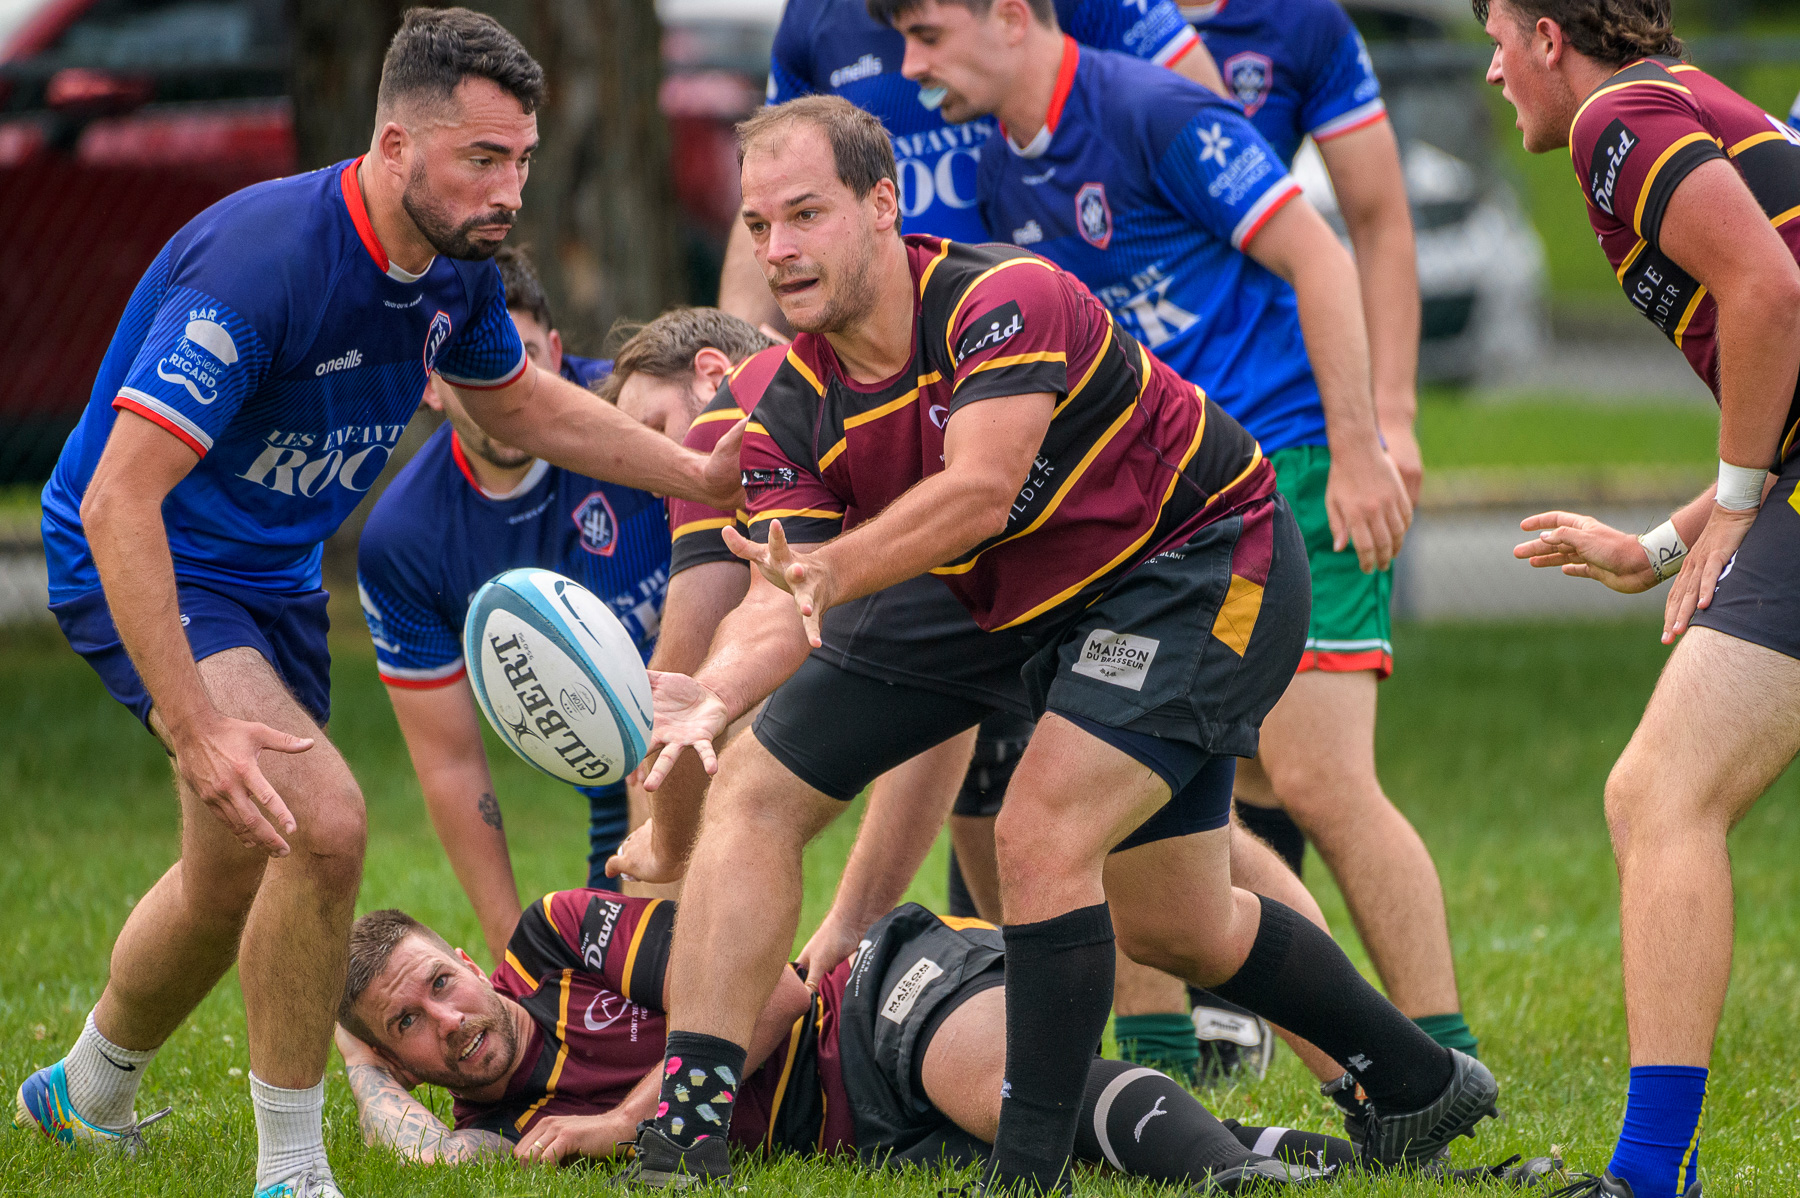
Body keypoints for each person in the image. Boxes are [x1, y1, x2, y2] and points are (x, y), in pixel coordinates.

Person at [618, 94, 1497, 1191]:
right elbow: (783, 596)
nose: (779, 251)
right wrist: (712, 696)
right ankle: (689, 1132)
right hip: (996, 590)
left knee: (1043, 838)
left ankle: (1029, 1170)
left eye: (806, 214)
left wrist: (835, 570)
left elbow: (979, 492)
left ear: (883, 205)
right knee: (767, 791)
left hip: (1198, 563)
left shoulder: (1002, 300)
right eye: (758, 227)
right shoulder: (794, 400)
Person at [13, 11, 738, 1197]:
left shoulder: (455, 268)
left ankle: (86, 1091)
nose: (509, 191)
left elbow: (522, 407)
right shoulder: (266, 267)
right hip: (150, 556)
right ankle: (292, 1170)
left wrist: (701, 475)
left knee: (229, 872)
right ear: (396, 144)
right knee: (325, 823)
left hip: (269, 579)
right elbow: (115, 500)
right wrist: (194, 726)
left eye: (522, 159)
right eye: (481, 160)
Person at [1480, 1, 1800, 1196]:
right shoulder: (1681, 106)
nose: (1493, 66)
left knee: (1662, 789)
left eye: (1500, 35)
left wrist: (1730, 499)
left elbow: (1770, 293)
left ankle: (1652, 1175)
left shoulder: (1621, 117)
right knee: (1661, 792)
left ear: (1552, 35)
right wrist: (1657, 549)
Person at [1177, 0, 1476, 1068]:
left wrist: (1384, 420)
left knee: (1318, 777)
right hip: (1155, 456)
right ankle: (1217, 1030)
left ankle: (1442, 1053)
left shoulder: (1298, 24)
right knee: (1214, 767)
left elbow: (1379, 218)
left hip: (1295, 445)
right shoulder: (1074, 26)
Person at [330, 892, 1353, 1189]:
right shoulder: (491, 1122)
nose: (449, 1024)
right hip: (857, 1134)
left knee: (998, 1086)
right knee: (1091, 1147)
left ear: (465, 957)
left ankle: (1236, 1181)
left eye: (436, 985)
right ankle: (1344, 1164)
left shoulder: (552, 937)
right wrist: (351, 1054)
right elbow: (417, 1151)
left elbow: (767, 993)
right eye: (407, 1029)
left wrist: (621, 1121)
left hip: (864, 1000)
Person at [357, 279, 770, 965]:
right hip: (609, 758)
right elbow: (452, 765)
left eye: (516, 362)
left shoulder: (637, 407)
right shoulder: (406, 537)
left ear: (554, 357)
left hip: (722, 700)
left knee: (682, 941)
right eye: (471, 371)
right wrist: (508, 953)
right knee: (602, 976)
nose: (499, 387)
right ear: (431, 388)